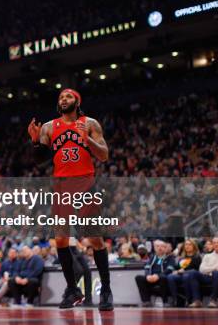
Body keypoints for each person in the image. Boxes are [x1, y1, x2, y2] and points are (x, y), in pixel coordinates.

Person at [28, 89, 114, 311]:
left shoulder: (90, 123)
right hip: (61, 186)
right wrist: (36, 142)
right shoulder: (49, 127)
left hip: (86, 183)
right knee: (61, 240)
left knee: (95, 240)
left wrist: (88, 141)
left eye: (68, 96)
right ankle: (73, 290)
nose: (63, 99)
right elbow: (39, 161)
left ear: (77, 101)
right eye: (60, 98)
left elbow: (104, 155)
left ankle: (105, 290)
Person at [184, 236, 218, 308]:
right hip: (207, 277)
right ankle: (197, 300)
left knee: (216, 273)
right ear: (212, 244)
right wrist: (215, 267)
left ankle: (213, 300)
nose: (216, 244)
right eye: (214, 243)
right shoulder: (207, 256)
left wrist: (209, 269)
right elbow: (201, 269)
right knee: (193, 272)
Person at [134, 240, 176, 307]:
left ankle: (165, 301)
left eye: (162, 246)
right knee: (138, 277)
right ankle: (146, 301)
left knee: (164, 277)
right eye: (157, 246)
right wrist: (148, 276)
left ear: (166, 248)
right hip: (151, 278)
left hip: (162, 278)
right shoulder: (152, 257)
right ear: (155, 248)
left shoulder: (170, 258)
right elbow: (147, 268)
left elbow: (169, 270)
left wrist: (158, 276)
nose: (160, 248)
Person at [167, 238, 201, 307]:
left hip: (191, 276)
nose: (187, 246)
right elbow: (177, 267)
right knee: (170, 276)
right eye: (186, 245)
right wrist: (175, 270)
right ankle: (175, 299)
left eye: (189, 245)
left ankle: (188, 300)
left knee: (186, 276)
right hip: (180, 275)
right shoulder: (182, 257)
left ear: (194, 246)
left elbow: (196, 269)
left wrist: (183, 271)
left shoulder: (197, 257)